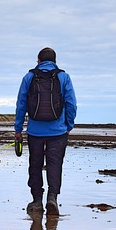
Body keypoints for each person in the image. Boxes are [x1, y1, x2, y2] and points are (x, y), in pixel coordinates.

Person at [14, 47, 77, 215]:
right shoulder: (63, 77)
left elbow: (21, 104)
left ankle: (36, 201)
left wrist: (18, 129)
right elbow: (71, 104)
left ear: (39, 60)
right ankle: (52, 198)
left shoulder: (29, 77)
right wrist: (69, 126)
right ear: (55, 61)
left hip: (35, 131)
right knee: (55, 165)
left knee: (35, 165)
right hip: (58, 132)